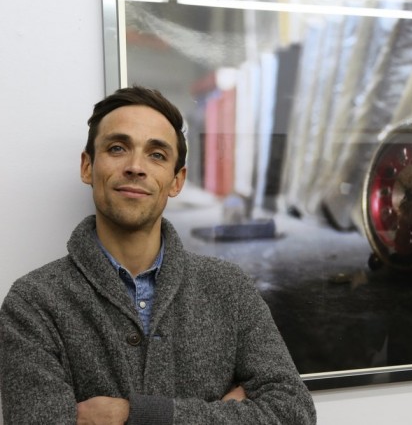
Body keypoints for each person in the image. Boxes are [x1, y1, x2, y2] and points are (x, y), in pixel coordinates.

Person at [0, 86, 317, 424]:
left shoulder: (229, 287)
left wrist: (135, 414)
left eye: (157, 155)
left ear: (176, 181)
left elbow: (293, 412)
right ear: (87, 166)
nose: (136, 167)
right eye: (117, 148)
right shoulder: (33, 303)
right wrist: (226, 413)